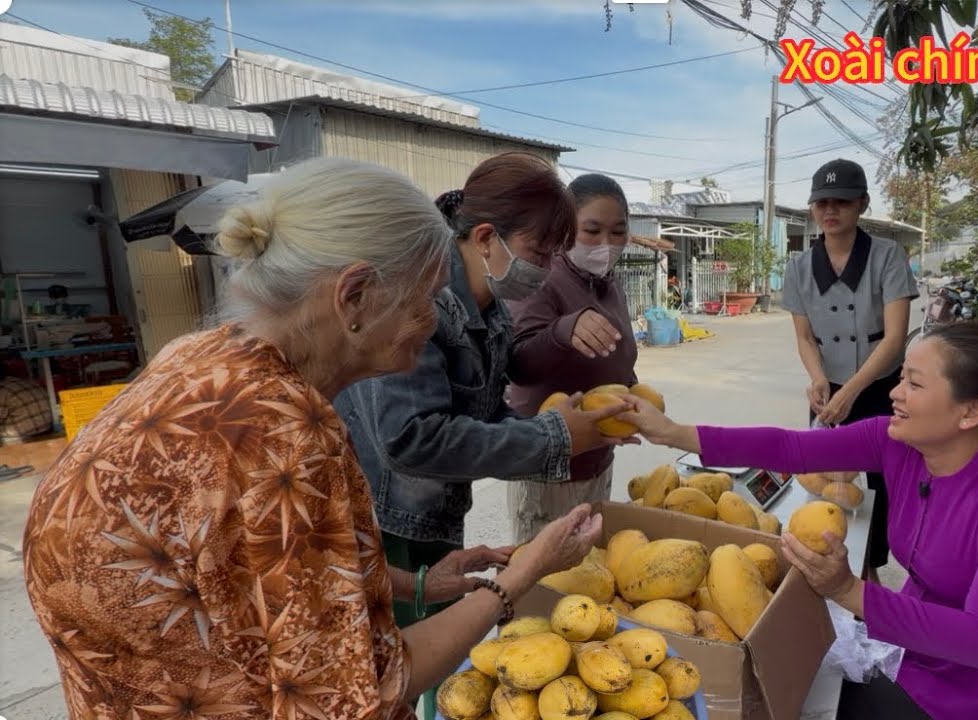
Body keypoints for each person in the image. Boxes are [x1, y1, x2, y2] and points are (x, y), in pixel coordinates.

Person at [21, 157, 604, 720]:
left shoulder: (204, 355)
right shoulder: (283, 438)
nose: (435, 320)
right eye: (426, 299)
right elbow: (361, 695)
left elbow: (255, 570)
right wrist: (517, 580)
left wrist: (415, 583)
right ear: (353, 296)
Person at [616, 322, 978, 720]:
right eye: (901, 379)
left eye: (915, 385)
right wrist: (674, 432)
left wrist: (847, 590)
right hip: (922, 652)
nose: (895, 394)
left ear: (971, 411)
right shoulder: (898, 442)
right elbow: (790, 448)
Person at [332, 153, 628, 712]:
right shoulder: (422, 299)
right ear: (488, 237)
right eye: (540, 251)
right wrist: (555, 439)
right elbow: (412, 438)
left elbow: (483, 417)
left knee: (437, 653)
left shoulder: (489, 306)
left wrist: (563, 432)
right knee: (388, 667)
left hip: (436, 511)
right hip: (389, 521)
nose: (544, 267)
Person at [780, 158, 918, 584]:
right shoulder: (800, 267)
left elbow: (895, 338)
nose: (830, 210)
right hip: (828, 391)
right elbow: (805, 337)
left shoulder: (887, 256)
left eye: (842, 201)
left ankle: (871, 570)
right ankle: (823, 568)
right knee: (824, 485)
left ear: (862, 204)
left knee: (881, 485)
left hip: (879, 390)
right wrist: (819, 379)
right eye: (821, 202)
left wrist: (852, 390)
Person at [505, 173, 638, 544]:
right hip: (548, 467)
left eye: (618, 232)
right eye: (592, 230)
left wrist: (634, 396)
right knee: (542, 584)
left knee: (589, 573)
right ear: (565, 228)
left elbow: (619, 360)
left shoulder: (611, 286)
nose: (606, 244)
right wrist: (563, 330)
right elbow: (518, 363)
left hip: (598, 459)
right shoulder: (542, 279)